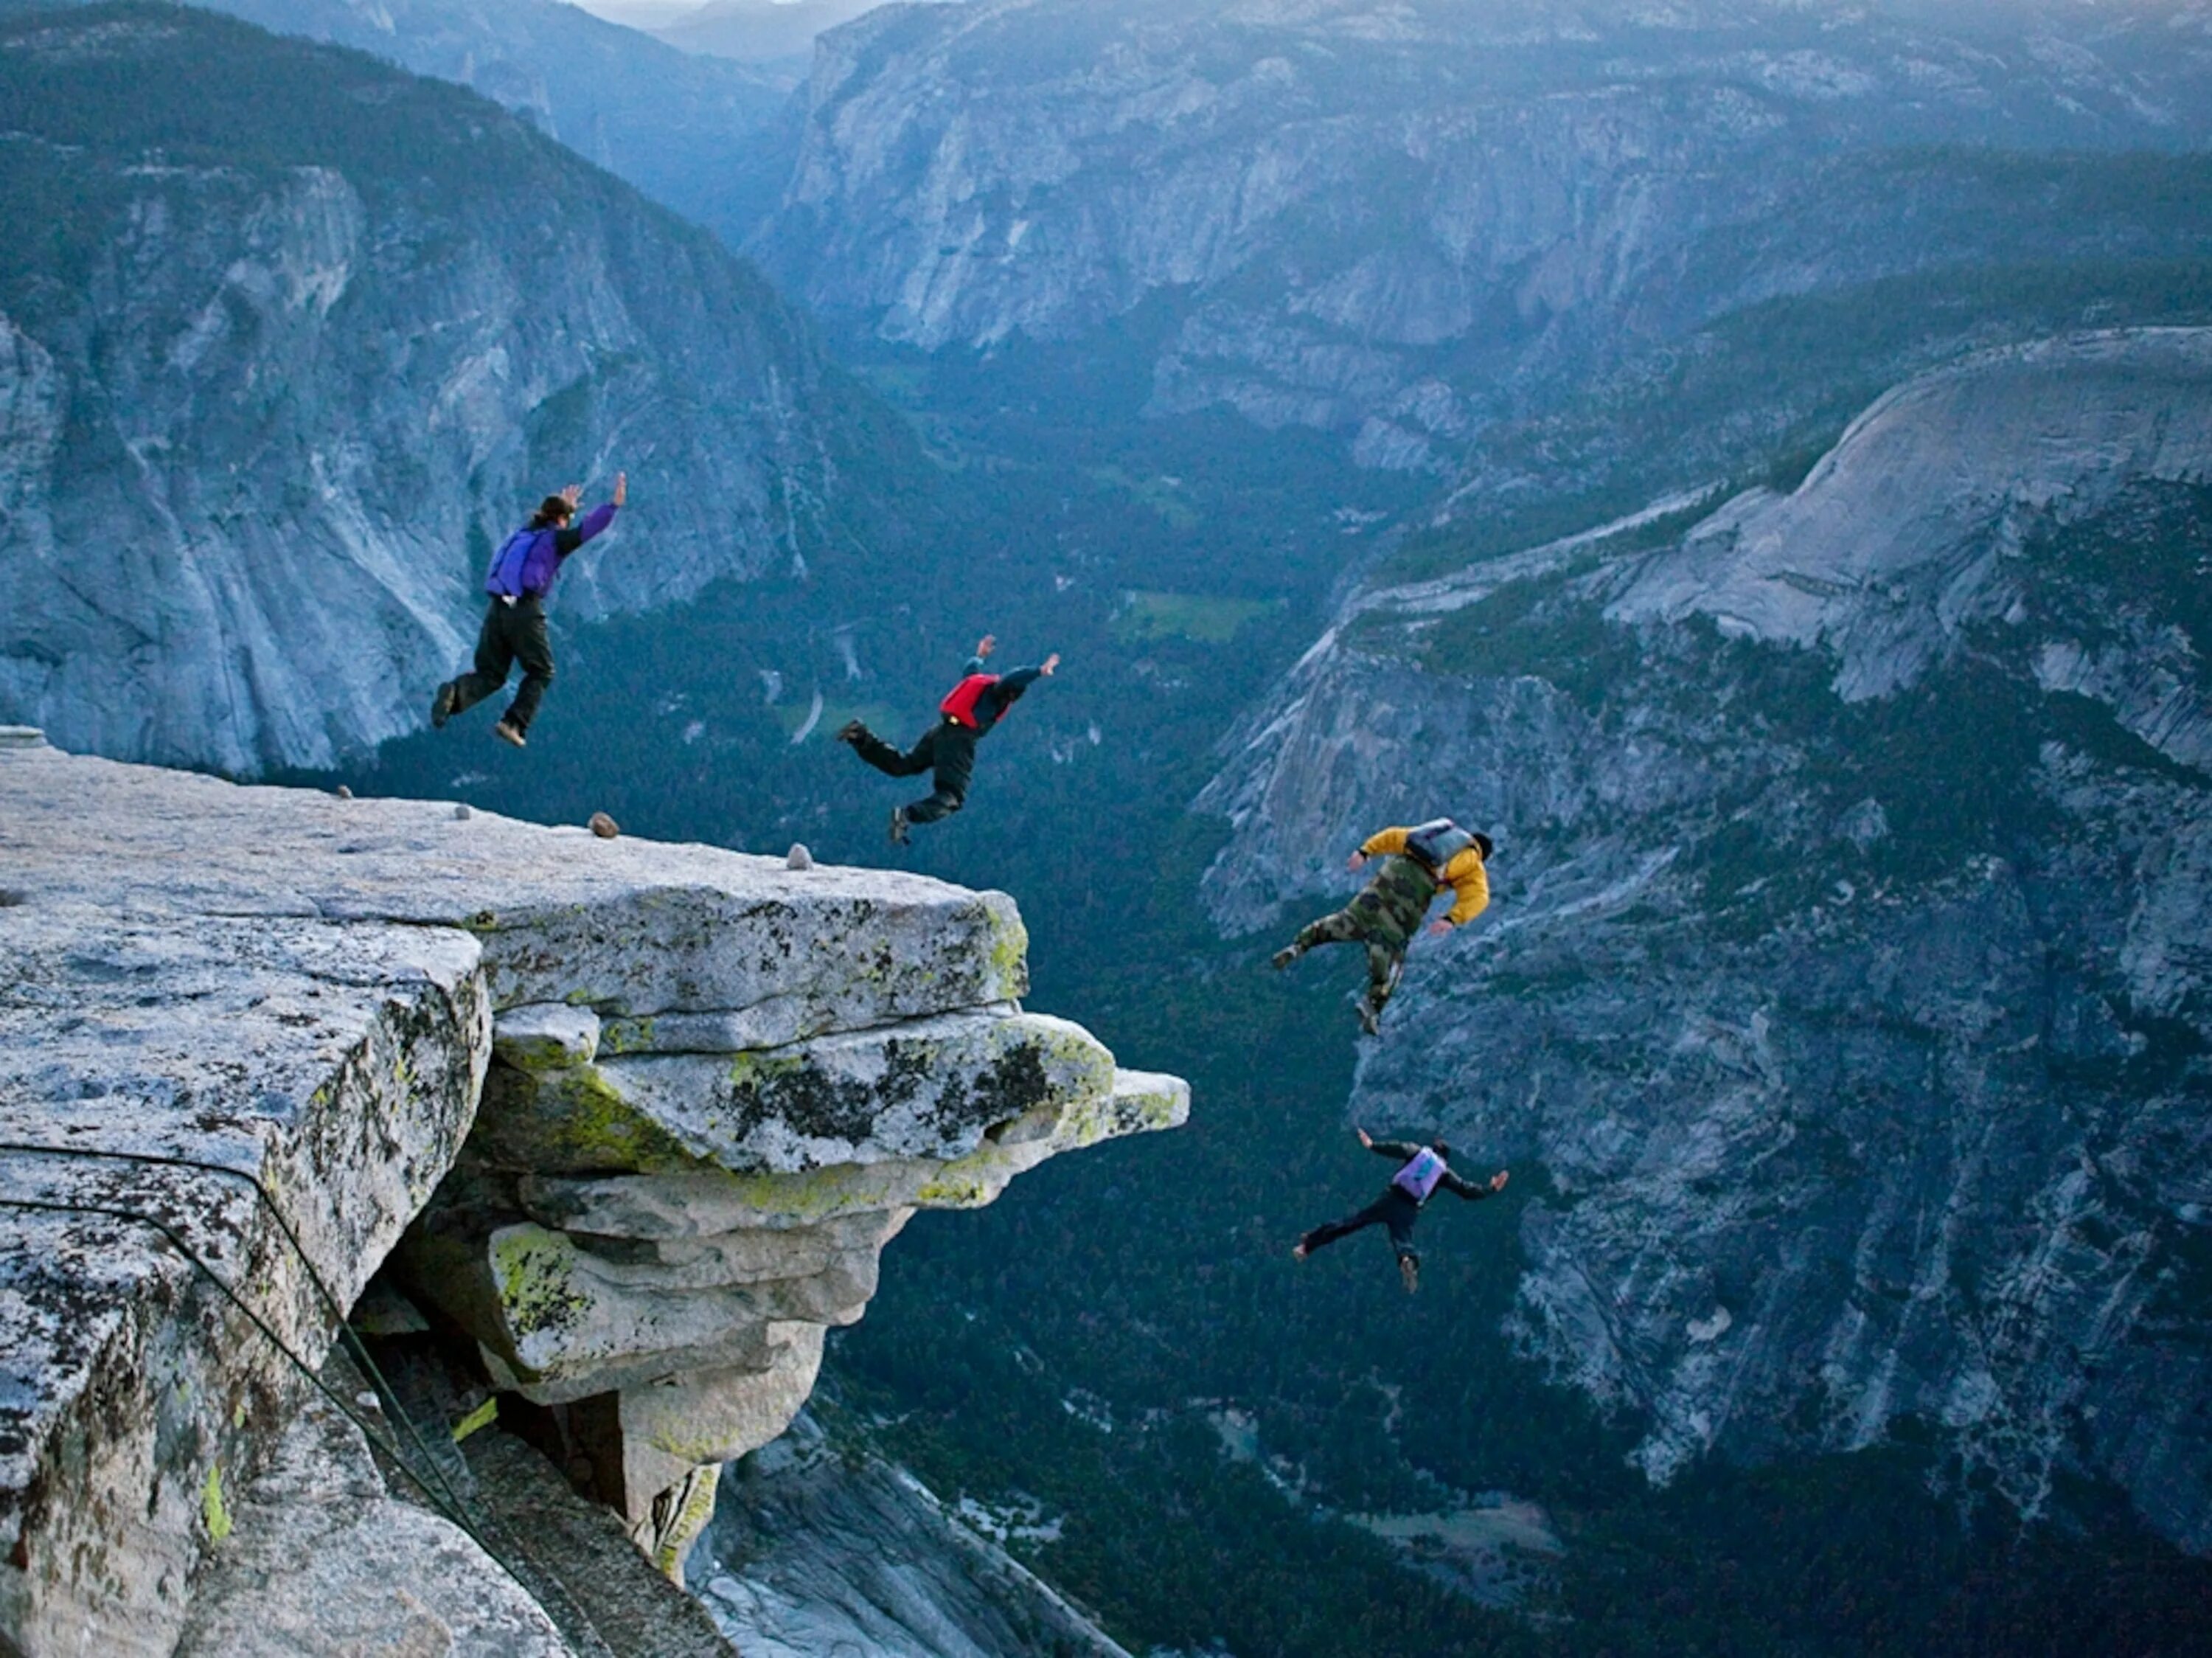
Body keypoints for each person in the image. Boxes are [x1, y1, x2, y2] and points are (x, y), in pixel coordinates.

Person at [431, 473, 626, 747]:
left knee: (491, 674)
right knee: (541, 671)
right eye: (566, 519)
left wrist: (564, 505)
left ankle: (455, 693)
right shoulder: (555, 540)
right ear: (560, 520)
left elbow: (550, 519)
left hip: (497, 609)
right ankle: (514, 723)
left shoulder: (523, 534)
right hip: (524, 610)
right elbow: (588, 529)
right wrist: (613, 506)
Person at [1271, 819, 1492, 1035]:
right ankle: (1373, 1006)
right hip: (1413, 894)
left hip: (1391, 872)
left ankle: (1299, 946)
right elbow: (1479, 898)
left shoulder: (1434, 834)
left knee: (1347, 920)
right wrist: (1451, 918)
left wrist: (1365, 851)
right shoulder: (1473, 863)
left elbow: (1393, 835)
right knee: (1393, 956)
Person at [838, 635, 1060, 844]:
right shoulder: (997, 693)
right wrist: (1039, 671)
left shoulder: (978, 683)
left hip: (941, 730)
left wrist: (980, 655)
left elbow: (970, 668)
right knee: (952, 795)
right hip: (959, 739)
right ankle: (906, 816)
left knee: (903, 764)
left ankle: (860, 736)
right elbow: (1013, 677)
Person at [1293, 1128, 1508, 1293]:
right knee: (1403, 1240)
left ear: (1433, 1149)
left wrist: (1372, 1145)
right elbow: (1466, 1190)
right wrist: (1491, 1189)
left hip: (1391, 1198)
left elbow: (1397, 1148)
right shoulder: (1444, 1173)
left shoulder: (1418, 1152)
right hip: (1409, 1209)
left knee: (1352, 1222)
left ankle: (1308, 1245)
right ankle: (1407, 1260)